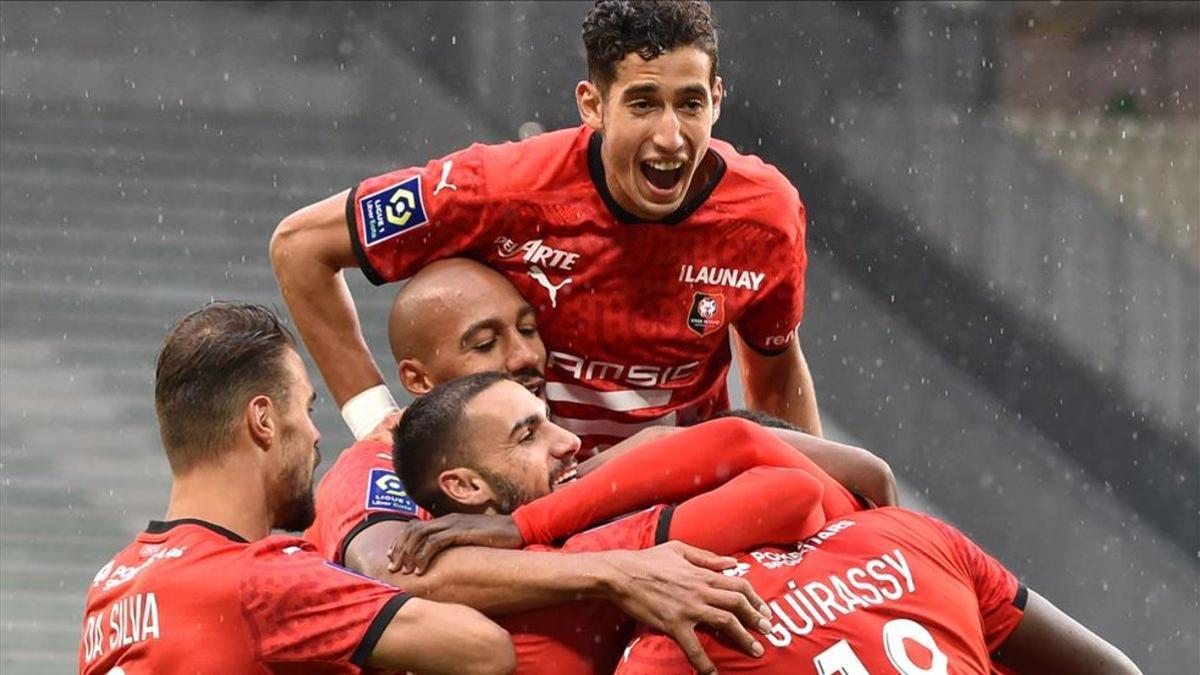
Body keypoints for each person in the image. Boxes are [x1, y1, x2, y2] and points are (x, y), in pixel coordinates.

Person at [271, 0, 822, 455]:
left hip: (677, 498)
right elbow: (300, 247)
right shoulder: (496, 188)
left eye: (690, 103)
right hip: (523, 497)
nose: (671, 136)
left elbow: (774, 368)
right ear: (593, 105)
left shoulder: (765, 214)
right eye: (643, 104)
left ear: (718, 101)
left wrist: (823, 505)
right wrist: (375, 424)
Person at [389, 373, 1141, 675]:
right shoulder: (902, 535)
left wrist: (550, 535)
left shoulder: (661, 625)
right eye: (530, 434)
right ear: (460, 485)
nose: (571, 442)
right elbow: (793, 477)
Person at [304, 258, 780, 674]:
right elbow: (390, 573)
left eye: (529, 330)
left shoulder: (544, 447)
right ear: (418, 379)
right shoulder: (377, 462)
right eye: (485, 344)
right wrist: (616, 572)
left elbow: (781, 478)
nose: (525, 356)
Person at [77, 302, 515, 675]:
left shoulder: (113, 586)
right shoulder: (263, 581)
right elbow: (486, 649)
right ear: (263, 420)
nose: (314, 434)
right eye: (306, 408)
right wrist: (381, 471)